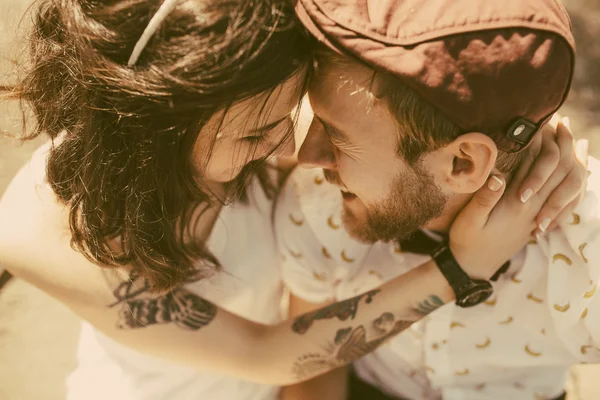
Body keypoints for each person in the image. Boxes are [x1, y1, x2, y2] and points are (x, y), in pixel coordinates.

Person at [0, 0, 588, 400]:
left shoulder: (258, 131)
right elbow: (270, 352)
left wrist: (525, 135)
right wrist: (464, 267)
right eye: (257, 134)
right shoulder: (38, 229)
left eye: (291, 112)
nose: (289, 152)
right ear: (160, 132)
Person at [276, 1, 597, 400]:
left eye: (338, 136)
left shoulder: (586, 248)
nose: (306, 157)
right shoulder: (317, 206)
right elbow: (312, 372)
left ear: (463, 164)